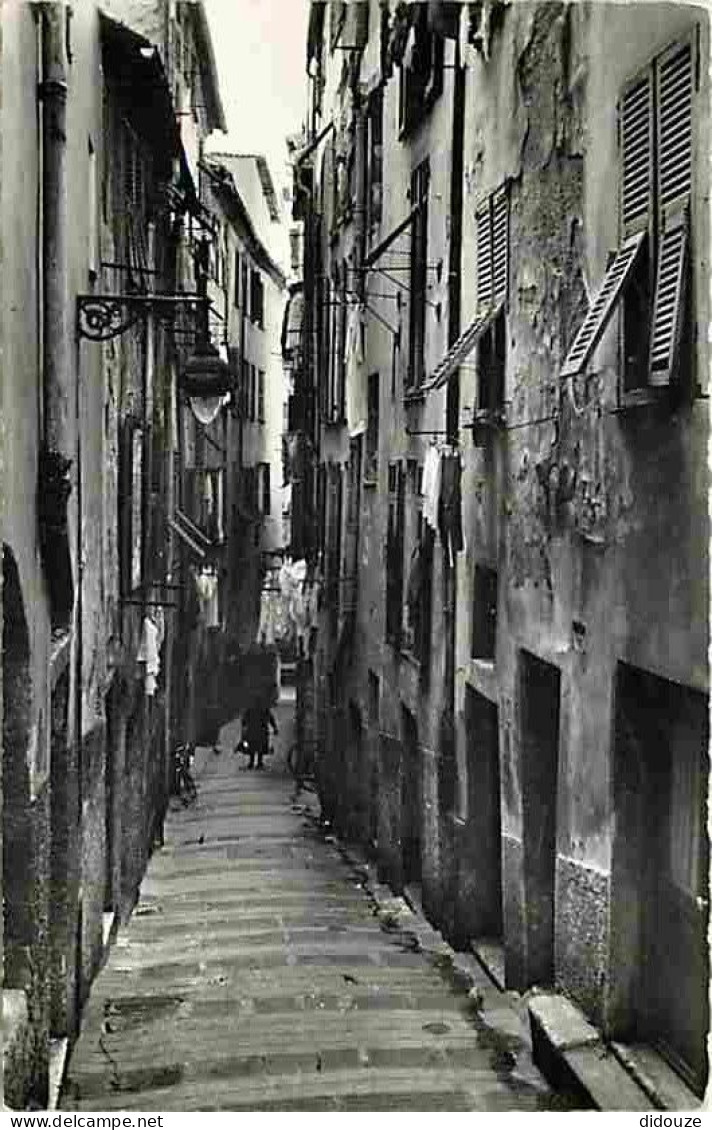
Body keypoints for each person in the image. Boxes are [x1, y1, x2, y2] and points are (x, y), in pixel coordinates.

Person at [240, 704, 279, 769]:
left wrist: (244, 727)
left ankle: (252, 763)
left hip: (252, 729)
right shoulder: (264, 707)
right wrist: (275, 727)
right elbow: (270, 717)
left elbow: (244, 719)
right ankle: (259, 763)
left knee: (253, 745)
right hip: (261, 729)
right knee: (260, 746)